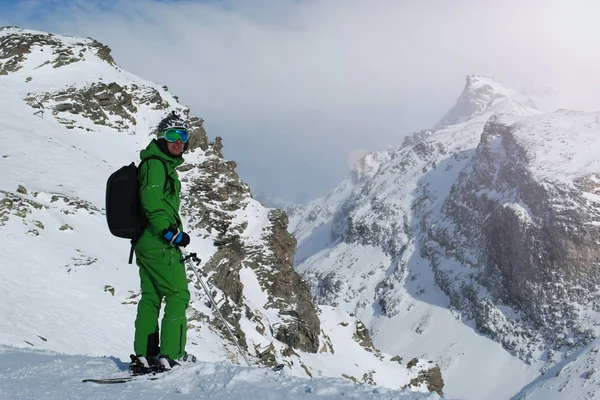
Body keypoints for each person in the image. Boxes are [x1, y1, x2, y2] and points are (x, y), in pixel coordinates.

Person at [130, 111, 196, 372]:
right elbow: (152, 202)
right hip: (158, 240)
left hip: (145, 240)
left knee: (151, 296)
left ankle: (145, 354)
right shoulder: (156, 164)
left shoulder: (158, 163)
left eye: (183, 136)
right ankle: (172, 355)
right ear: (161, 137)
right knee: (178, 294)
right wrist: (170, 233)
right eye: (172, 135)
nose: (178, 141)